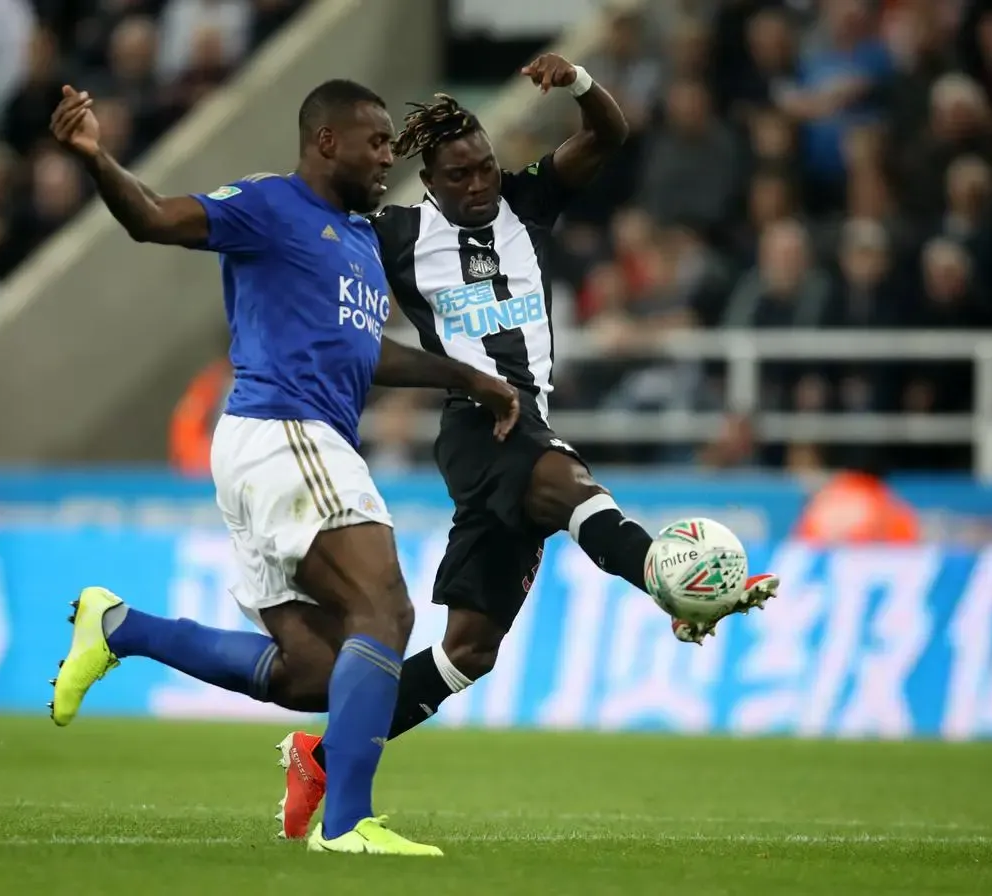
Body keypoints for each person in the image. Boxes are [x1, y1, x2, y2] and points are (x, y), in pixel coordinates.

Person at [273, 54, 781, 839]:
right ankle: (665, 581)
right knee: (569, 485)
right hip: (481, 428)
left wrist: (578, 80)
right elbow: (323, 254)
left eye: (484, 168)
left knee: (468, 653)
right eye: (460, 177)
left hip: (530, 414)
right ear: (431, 184)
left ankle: (327, 758)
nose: (478, 186)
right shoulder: (398, 237)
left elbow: (608, 131)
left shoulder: (528, 201)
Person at [45, 79, 520, 857]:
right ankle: (348, 825)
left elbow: (364, 353)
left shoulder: (359, 240)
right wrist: (97, 159)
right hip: (285, 431)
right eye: (374, 145)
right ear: (326, 140)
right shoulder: (268, 206)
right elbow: (155, 219)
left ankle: (121, 627)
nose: (385, 161)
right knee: (386, 610)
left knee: (313, 673)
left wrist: (466, 377)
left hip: (276, 446)